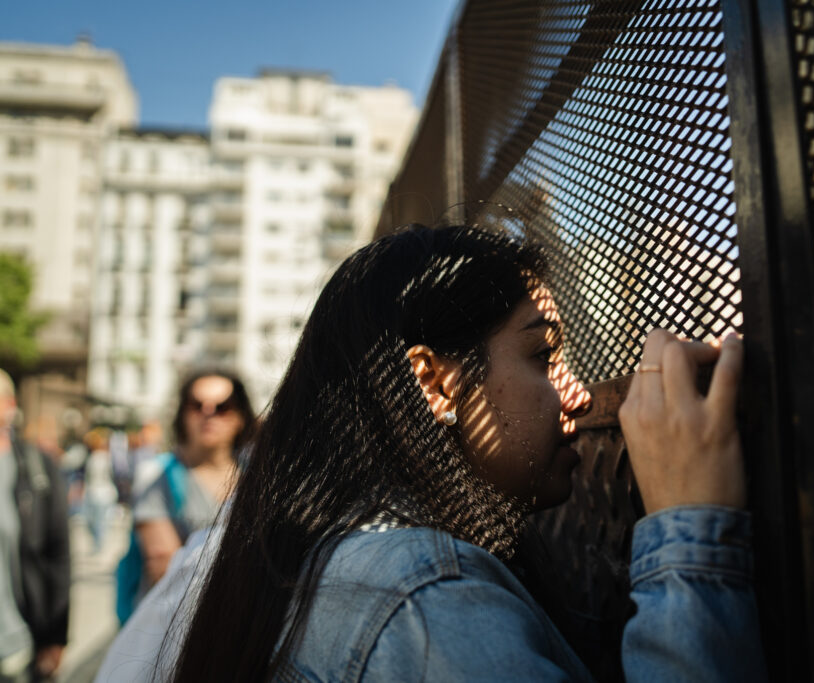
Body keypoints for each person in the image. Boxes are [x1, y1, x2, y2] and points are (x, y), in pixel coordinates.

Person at [167, 224, 765, 681]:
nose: (579, 395)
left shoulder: (338, 556)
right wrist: (691, 533)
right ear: (434, 381)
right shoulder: (425, 603)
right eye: (542, 356)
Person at [127, 372, 255, 605]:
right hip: (171, 626)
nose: (209, 414)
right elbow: (163, 568)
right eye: (197, 405)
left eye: (222, 407)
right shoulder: (158, 477)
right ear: (183, 415)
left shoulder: (257, 479)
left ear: (240, 417)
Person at [0, 370, 70, 682]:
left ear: (9, 406)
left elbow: (58, 553)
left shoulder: (36, 467)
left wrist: (55, 637)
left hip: (16, 639)